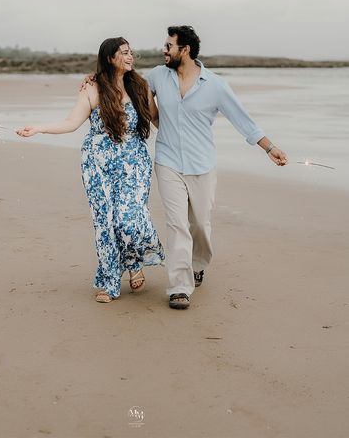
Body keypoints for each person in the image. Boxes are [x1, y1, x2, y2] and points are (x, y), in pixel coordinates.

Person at [146, 25, 288, 309]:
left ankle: (198, 264)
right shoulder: (157, 76)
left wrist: (269, 148)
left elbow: (242, 120)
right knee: (176, 225)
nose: (164, 50)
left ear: (184, 50)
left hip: (202, 164)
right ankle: (179, 287)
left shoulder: (215, 84)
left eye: (169, 46)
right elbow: (130, 90)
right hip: (168, 161)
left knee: (199, 224)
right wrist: (94, 80)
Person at [16, 37, 164, 303]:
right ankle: (109, 282)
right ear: (110, 58)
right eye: (125, 53)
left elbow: (157, 120)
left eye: (132, 53)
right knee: (105, 223)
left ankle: (133, 263)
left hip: (134, 162)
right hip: (97, 163)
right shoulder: (92, 88)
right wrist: (38, 128)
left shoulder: (140, 86)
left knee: (129, 221)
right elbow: (72, 122)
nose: (131, 57)